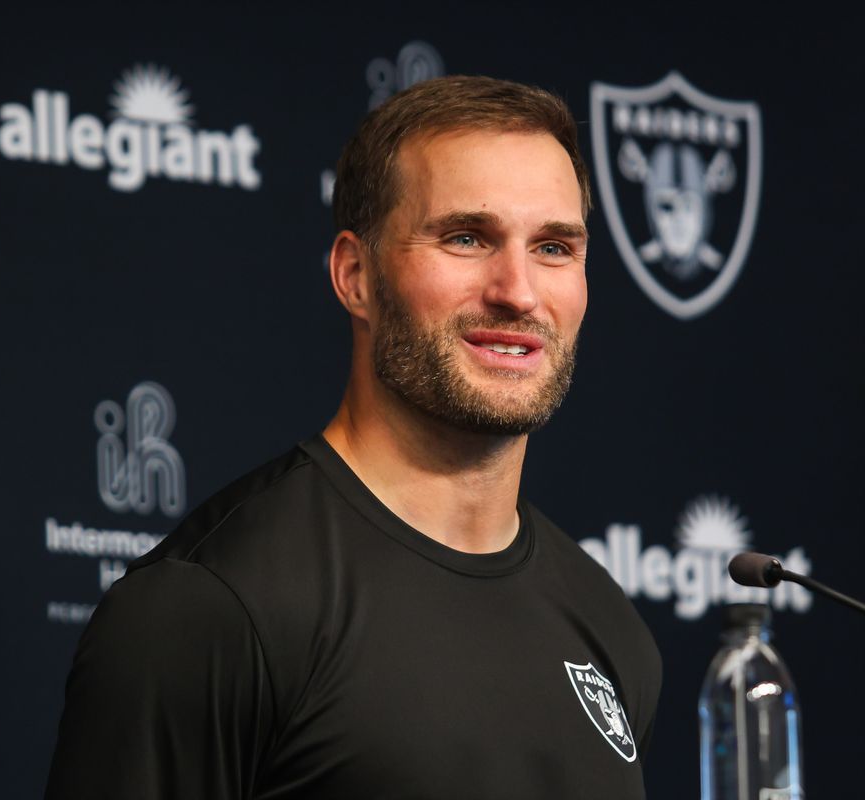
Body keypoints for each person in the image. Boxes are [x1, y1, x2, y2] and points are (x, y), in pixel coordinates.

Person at [43, 75, 662, 799]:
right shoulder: (210, 607)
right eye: (467, 238)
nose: (518, 291)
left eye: (554, 247)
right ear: (355, 275)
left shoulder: (608, 626)